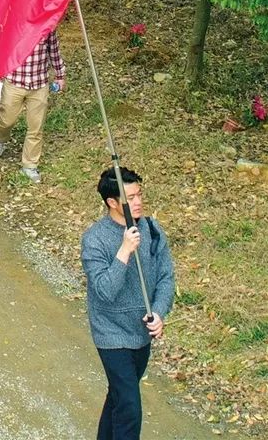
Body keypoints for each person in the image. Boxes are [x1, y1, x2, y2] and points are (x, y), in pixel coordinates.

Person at [82, 167, 175, 440]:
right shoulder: (95, 239)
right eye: (130, 197)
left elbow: (166, 277)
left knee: (119, 397)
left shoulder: (152, 230)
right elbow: (104, 291)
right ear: (112, 202)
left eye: (139, 194)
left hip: (140, 334)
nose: (138, 202)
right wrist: (124, 251)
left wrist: (158, 312)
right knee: (130, 408)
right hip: (111, 334)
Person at [0, 29, 66, 183]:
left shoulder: (48, 25)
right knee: (7, 120)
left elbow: (54, 50)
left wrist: (60, 75)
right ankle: (0, 138)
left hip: (39, 85)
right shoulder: (14, 22)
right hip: (14, 82)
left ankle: (29, 165)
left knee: (36, 128)